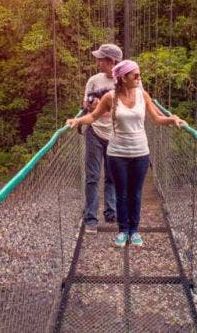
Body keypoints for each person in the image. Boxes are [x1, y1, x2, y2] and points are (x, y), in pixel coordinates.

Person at [67, 60, 185, 248]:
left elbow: (156, 118)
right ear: (123, 78)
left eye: (139, 74)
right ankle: (123, 231)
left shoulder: (143, 95)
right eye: (135, 75)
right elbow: (93, 116)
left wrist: (173, 119)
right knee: (121, 193)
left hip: (140, 152)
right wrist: (77, 120)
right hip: (117, 153)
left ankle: (134, 230)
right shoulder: (110, 97)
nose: (139, 78)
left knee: (135, 193)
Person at [80, 44, 124, 234]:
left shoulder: (126, 80)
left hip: (117, 134)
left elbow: (135, 104)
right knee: (92, 177)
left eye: (100, 59)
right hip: (95, 133)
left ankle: (111, 212)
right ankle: (91, 219)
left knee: (112, 177)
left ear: (111, 62)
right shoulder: (93, 81)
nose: (97, 62)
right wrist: (91, 106)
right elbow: (86, 104)